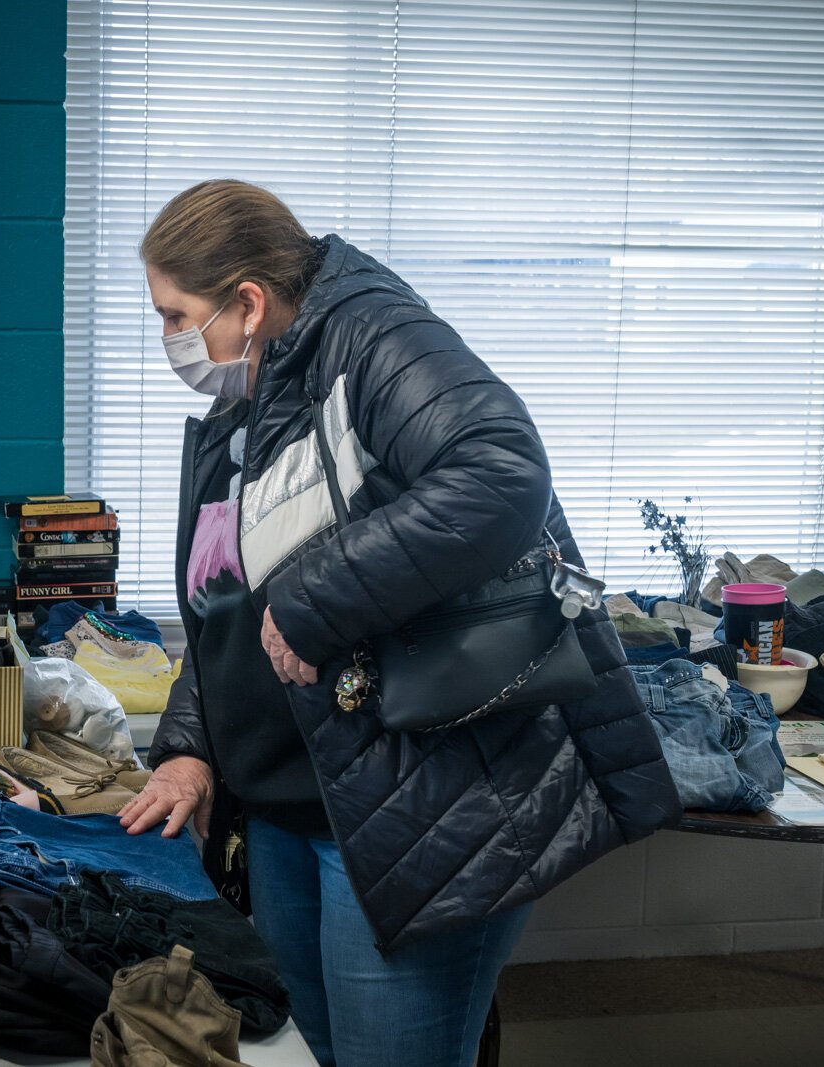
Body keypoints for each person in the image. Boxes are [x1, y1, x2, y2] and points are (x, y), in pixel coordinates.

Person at [117, 180, 680, 1067]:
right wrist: (190, 740)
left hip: (416, 806)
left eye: (175, 315)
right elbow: (225, 597)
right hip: (287, 806)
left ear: (249, 302)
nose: (171, 341)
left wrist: (311, 605)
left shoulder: (375, 338)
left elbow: (499, 472)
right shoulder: (256, 388)